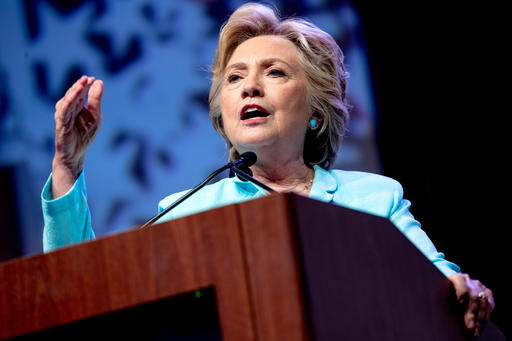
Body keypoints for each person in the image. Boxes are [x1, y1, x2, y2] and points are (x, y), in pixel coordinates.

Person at [41, 2, 494, 337]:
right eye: (235, 78)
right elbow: (88, 293)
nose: (249, 86)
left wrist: (458, 286)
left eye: (274, 72)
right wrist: (67, 165)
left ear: (315, 111)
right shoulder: (185, 211)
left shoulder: (376, 196)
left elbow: (437, 278)